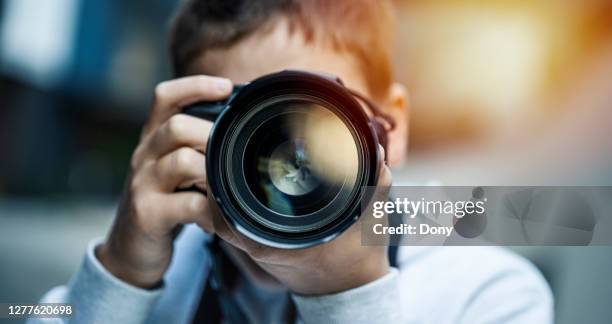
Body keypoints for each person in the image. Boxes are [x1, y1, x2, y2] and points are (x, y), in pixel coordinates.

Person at [35, 1, 553, 323]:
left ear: (391, 131)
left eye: (322, 125)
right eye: (247, 126)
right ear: (184, 127)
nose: (284, 159)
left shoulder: (491, 294)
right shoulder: (160, 260)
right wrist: (120, 273)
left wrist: (348, 297)